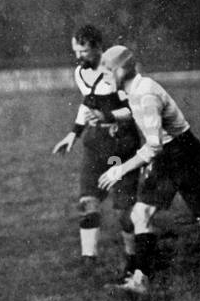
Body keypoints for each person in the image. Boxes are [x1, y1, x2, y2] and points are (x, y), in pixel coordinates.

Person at [97, 45, 200, 298]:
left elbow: (153, 146)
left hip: (185, 157)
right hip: (167, 157)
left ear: (120, 70)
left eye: (106, 73)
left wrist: (120, 170)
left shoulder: (145, 94)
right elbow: (137, 114)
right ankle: (140, 280)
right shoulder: (135, 89)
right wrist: (115, 119)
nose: (103, 79)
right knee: (141, 214)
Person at [51, 25, 139, 273]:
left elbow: (134, 109)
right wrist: (73, 133)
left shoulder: (118, 72)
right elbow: (87, 103)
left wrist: (107, 115)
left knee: (124, 211)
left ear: (99, 48)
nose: (79, 57)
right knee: (87, 203)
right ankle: (88, 261)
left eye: (84, 51)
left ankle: (133, 261)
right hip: (95, 146)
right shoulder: (80, 72)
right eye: (76, 51)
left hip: (122, 147)